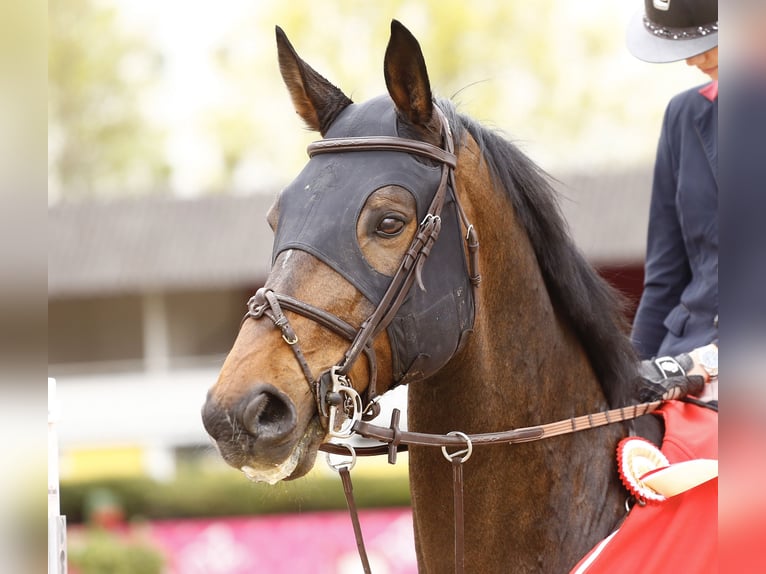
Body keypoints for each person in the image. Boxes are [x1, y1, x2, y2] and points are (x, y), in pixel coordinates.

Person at [626, 0, 719, 404]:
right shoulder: (683, 116)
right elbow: (665, 275)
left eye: (712, 40)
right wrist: (627, 372)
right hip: (684, 357)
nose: (694, 59)